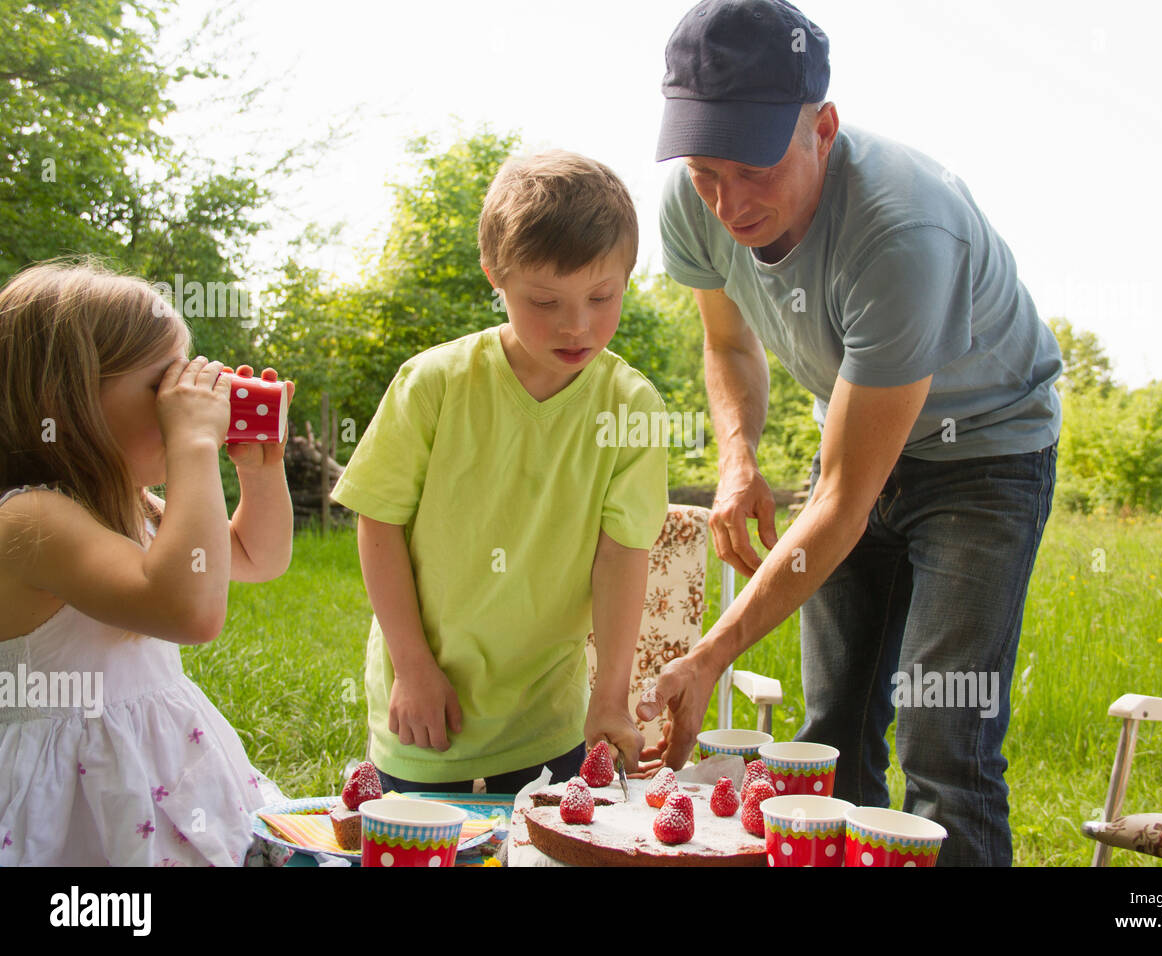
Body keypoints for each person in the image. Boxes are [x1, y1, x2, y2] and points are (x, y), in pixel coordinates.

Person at [638, 0, 1062, 865]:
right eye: (705, 170)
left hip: (984, 454)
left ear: (821, 127)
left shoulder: (902, 230)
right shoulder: (695, 203)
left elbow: (841, 500)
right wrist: (737, 461)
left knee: (944, 740)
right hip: (859, 437)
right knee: (827, 738)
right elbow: (728, 343)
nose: (728, 203)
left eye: (751, 166)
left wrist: (711, 655)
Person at [330, 151, 668, 796]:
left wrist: (611, 695)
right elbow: (379, 526)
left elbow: (623, 555)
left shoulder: (634, 406)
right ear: (496, 277)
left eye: (602, 296)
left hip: (549, 718)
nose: (577, 325)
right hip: (428, 701)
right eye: (545, 300)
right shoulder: (432, 384)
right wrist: (412, 667)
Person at [0, 261, 294, 865]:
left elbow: (255, 558)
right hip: (74, 802)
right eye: (164, 385)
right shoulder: (31, 519)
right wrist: (191, 445)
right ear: (68, 399)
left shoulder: (130, 504)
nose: (183, 401)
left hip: (153, 778)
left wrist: (258, 472)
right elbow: (188, 611)